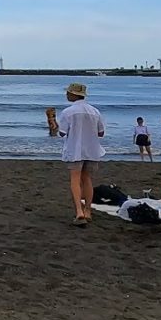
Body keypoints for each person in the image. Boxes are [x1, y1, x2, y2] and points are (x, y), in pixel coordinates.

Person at [57, 83, 105, 227]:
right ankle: (88, 210)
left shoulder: (68, 112)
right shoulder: (95, 111)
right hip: (91, 149)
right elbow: (101, 133)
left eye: (68, 93)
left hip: (75, 149)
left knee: (75, 179)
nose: (66, 95)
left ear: (73, 95)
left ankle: (79, 211)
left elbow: (62, 133)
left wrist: (53, 125)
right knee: (87, 179)